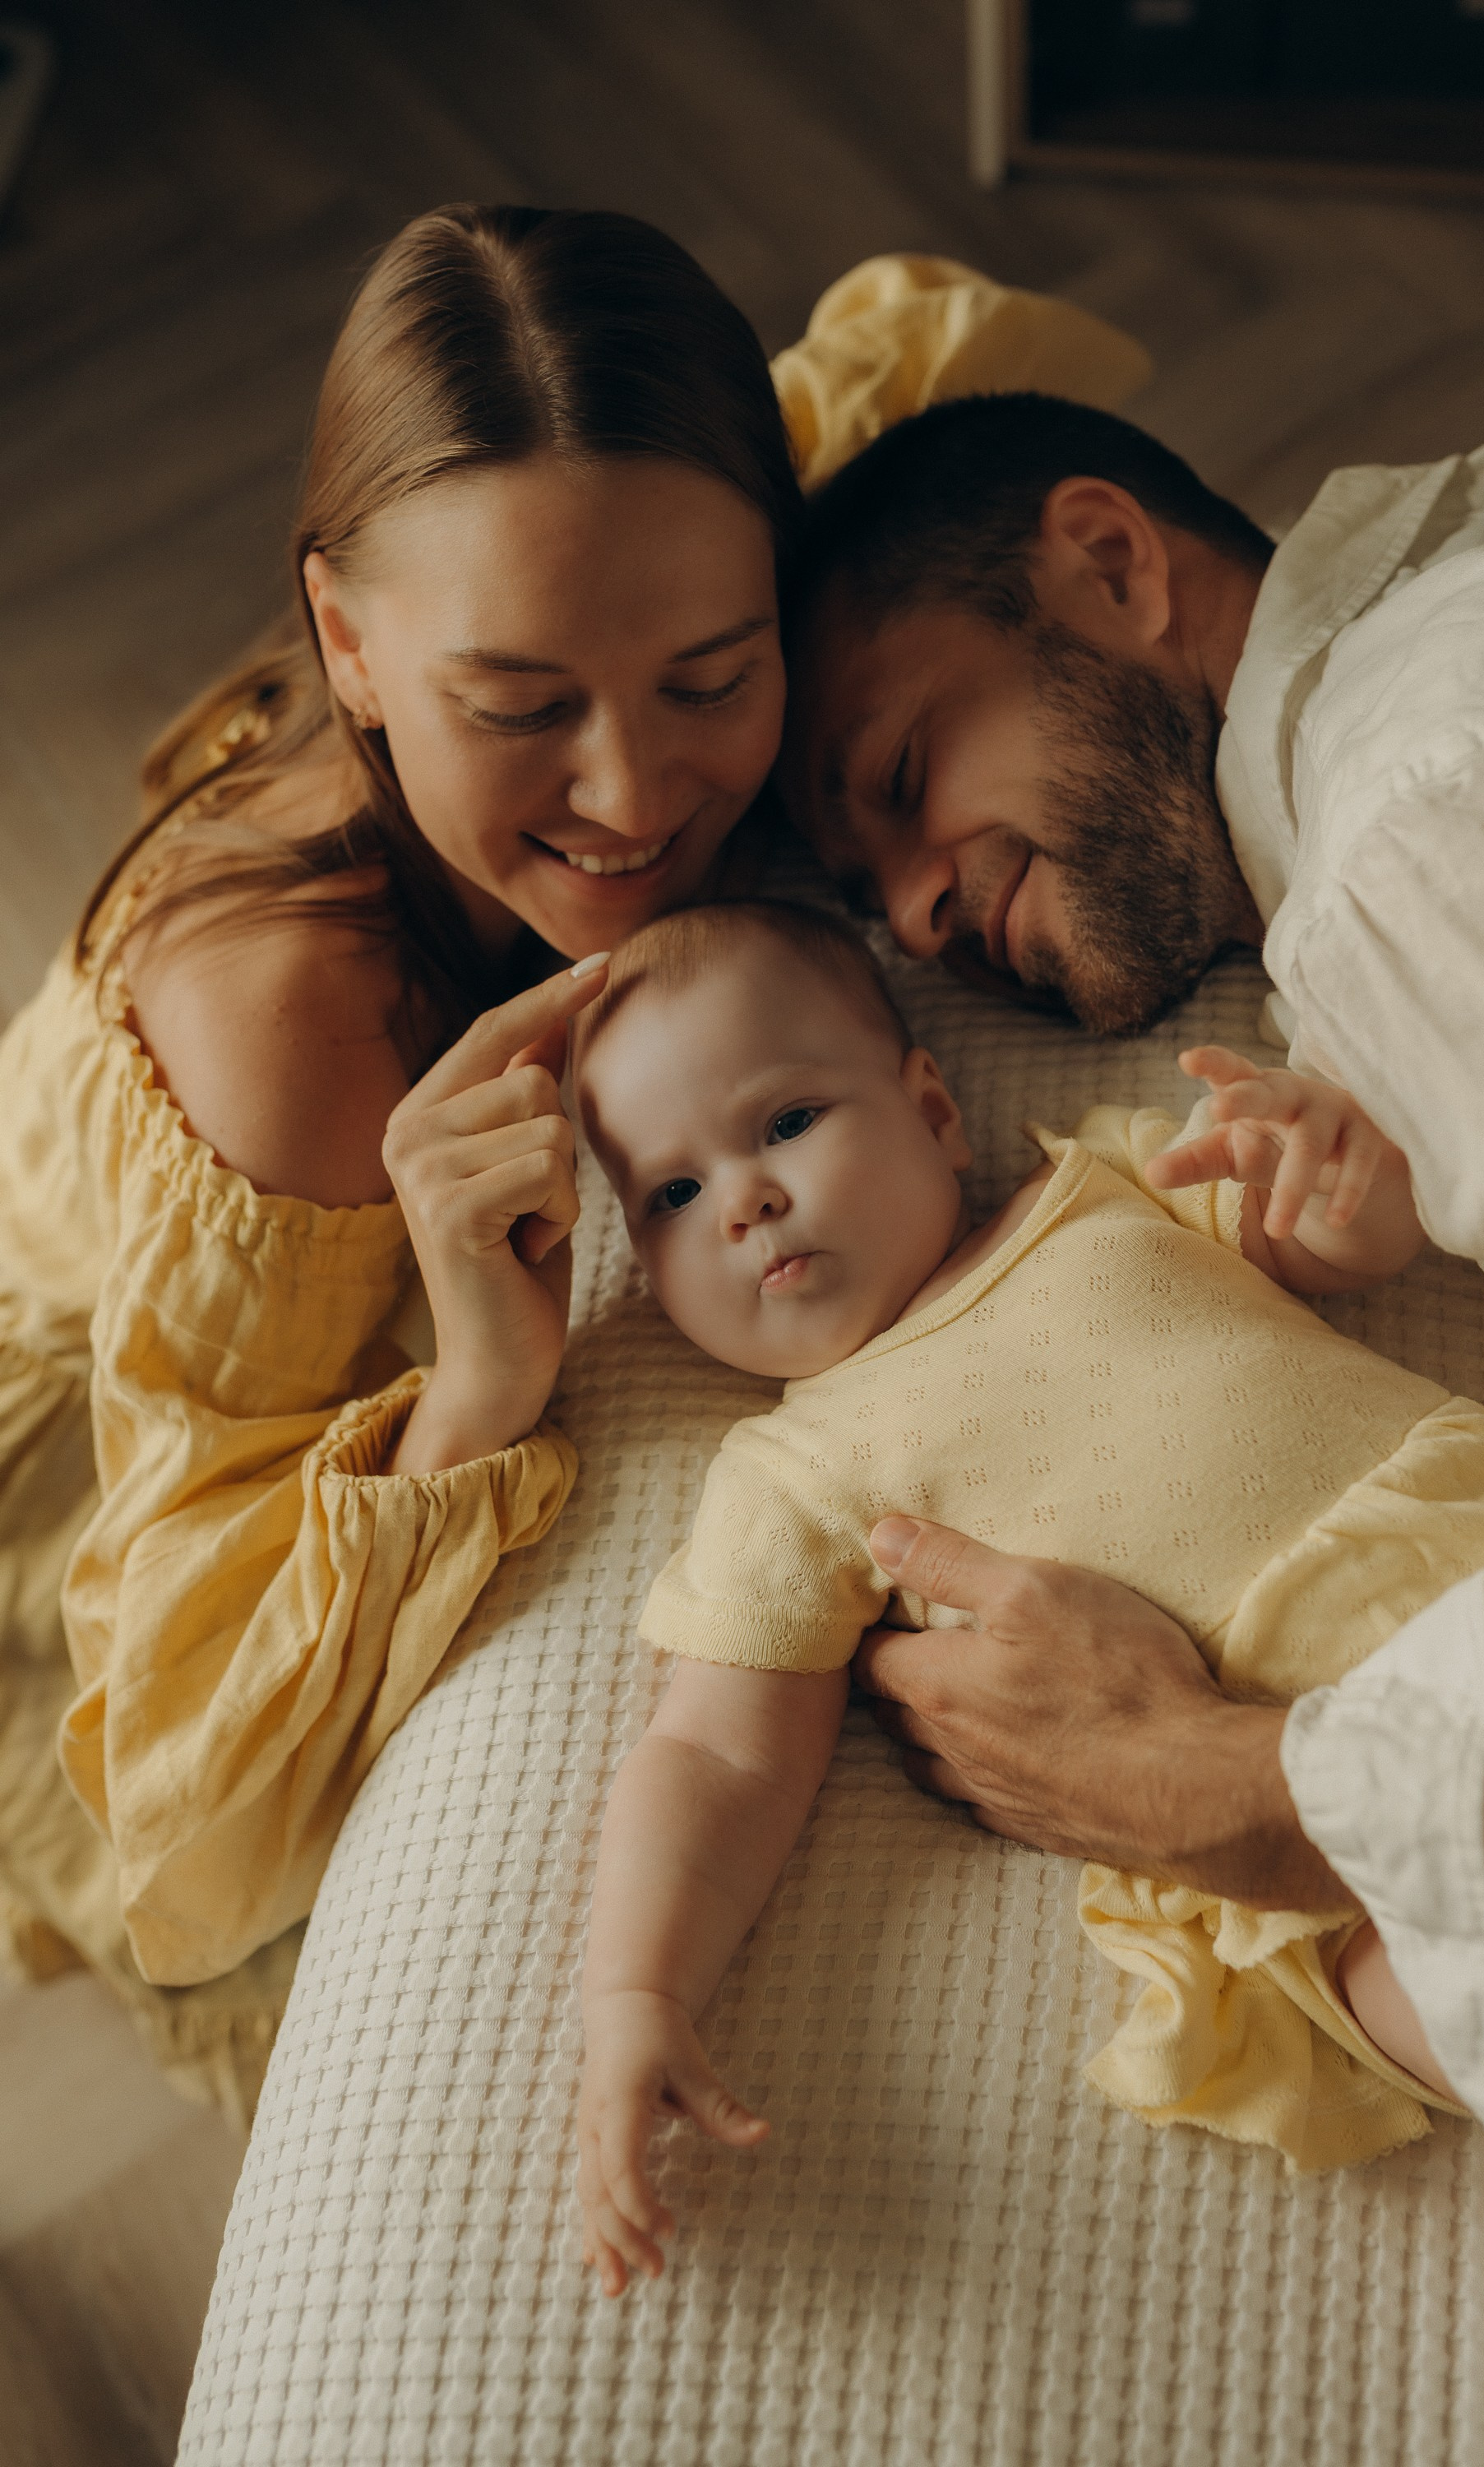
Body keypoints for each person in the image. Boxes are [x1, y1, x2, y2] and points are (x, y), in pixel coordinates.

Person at [0, 220, 1148, 2114]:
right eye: (521, 710)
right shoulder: (294, 1029)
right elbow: (186, 1796)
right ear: (349, 647)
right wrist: (474, 1391)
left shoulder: (677, 514)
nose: (631, 799)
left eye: (711, 679)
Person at [780, 377, 1484, 2155]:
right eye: (875, 903)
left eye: (905, 775)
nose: (919, 921)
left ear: (1110, 561)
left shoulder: (1426, 838)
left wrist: (1242, 1785)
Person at [567, 900, 1484, 2294]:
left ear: (934, 1110)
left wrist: (1335, 1178)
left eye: (784, 1124)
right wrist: (637, 1992)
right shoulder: (792, 1473)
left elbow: (1332, 1243)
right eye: (670, 1197)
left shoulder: (1099, 1184)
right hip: (1290, 1820)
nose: (744, 1201)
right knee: (1479, 1995)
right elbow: (716, 1757)